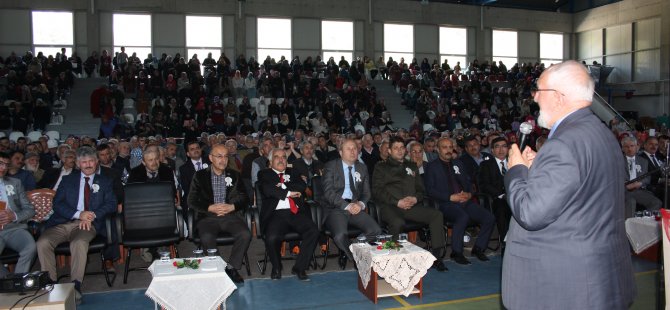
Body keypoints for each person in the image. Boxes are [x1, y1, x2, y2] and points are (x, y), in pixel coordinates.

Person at [503, 60, 635, 309]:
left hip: (564, 287)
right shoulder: (602, 134)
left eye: (538, 91)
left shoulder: (564, 143)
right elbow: (581, 197)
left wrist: (517, 170)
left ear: (558, 97)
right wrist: (536, 171)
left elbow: (530, 213)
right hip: (597, 277)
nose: (535, 98)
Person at [36, 147, 116, 304]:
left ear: (96, 162)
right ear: (78, 164)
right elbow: (57, 204)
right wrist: (78, 214)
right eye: (84, 162)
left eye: (91, 161)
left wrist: (92, 215)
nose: (88, 165)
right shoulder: (68, 180)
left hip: (88, 225)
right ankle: (50, 284)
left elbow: (111, 204)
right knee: (42, 242)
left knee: (79, 242)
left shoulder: (105, 181)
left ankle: (76, 285)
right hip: (63, 222)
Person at [372, 136, 447, 271]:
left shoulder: (411, 166)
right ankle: (392, 260)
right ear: (389, 151)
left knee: (436, 215)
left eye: (402, 148)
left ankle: (436, 257)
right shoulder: (381, 167)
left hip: (411, 206)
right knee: (397, 222)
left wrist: (415, 199)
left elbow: (420, 189)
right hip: (390, 207)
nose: (400, 151)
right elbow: (377, 191)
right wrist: (398, 202)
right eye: (396, 148)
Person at [424, 137, 494, 265]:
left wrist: (468, 194)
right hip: (445, 203)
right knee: (462, 217)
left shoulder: (458, 163)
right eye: (444, 147)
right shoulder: (431, 167)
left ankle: (478, 248)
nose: (448, 150)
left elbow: (469, 184)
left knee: (488, 218)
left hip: (464, 201)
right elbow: (430, 190)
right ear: (437, 150)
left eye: (450, 147)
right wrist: (450, 197)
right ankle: (456, 252)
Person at [188, 144, 251, 283]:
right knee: (206, 236)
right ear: (210, 158)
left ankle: (232, 267)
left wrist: (232, 206)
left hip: (230, 216)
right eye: (219, 156)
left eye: (226, 156)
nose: (223, 160)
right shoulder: (200, 176)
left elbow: (245, 198)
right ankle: (219, 268)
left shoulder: (234, 175)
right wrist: (209, 207)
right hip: (208, 217)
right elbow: (191, 200)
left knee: (245, 234)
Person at [257, 148, 319, 281]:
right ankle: (277, 266)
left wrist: (281, 185)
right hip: (276, 214)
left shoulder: (293, 171)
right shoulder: (264, 173)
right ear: (270, 161)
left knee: (313, 231)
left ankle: (300, 267)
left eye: (283, 157)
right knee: (272, 237)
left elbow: (301, 186)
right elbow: (268, 190)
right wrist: (288, 193)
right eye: (277, 157)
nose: (281, 159)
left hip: (295, 212)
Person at [320, 139, 381, 268]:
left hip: (355, 207)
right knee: (340, 235)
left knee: (375, 230)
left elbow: (366, 193)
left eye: (355, 148)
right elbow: (328, 192)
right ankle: (355, 257)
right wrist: (347, 206)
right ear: (341, 152)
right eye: (349, 148)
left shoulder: (362, 167)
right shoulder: (331, 166)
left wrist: (361, 204)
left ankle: (351, 248)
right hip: (336, 208)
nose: (353, 151)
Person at [0, 152, 37, 278]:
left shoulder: (15, 183)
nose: (4, 168)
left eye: (6, 164)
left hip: (14, 227)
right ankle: (7, 281)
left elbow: (30, 209)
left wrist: (14, 216)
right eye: (0, 164)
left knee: (30, 247)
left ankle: (17, 282)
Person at [477, 137, 512, 252]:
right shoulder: (486, 165)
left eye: (504, 146)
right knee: (502, 208)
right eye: (497, 147)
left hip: (515, 196)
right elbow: (484, 185)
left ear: (508, 149)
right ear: (492, 150)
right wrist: (501, 194)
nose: (501, 149)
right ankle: (505, 242)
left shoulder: (514, 162)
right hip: (497, 199)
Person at [621, 136, 661, 217]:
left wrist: (640, 183)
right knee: (631, 202)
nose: (629, 149)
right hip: (624, 191)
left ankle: (642, 221)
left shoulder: (643, 161)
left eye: (632, 146)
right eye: (626, 146)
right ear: (622, 148)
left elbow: (647, 178)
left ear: (636, 147)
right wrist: (626, 185)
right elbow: (615, 177)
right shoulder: (618, 160)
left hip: (639, 190)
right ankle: (628, 227)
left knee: (657, 203)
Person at [179, 141, 210, 219]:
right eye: (192, 149)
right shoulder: (184, 168)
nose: (196, 150)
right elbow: (186, 188)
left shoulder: (210, 162)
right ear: (188, 154)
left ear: (201, 150)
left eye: (197, 148)